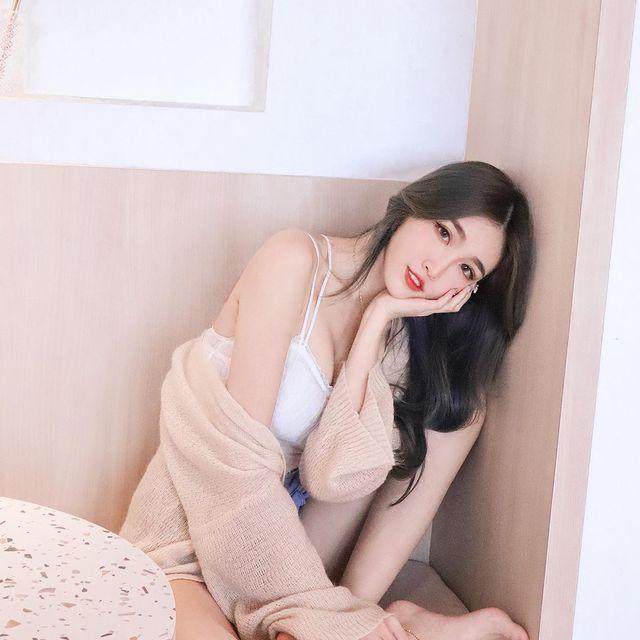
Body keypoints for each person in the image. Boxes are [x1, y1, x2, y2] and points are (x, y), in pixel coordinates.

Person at [169, 160, 536, 640]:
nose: (437, 268)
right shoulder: (294, 261)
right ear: (415, 205)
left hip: (288, 535)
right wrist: (335, 621)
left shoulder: (400, 339)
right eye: (444, 232)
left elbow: (332, 479)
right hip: (197, 527)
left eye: (466, 268)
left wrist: (376, 321)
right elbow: (237, 473)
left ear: (469, 291)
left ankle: (358, 610)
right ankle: (369, 623)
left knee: (459, 411)